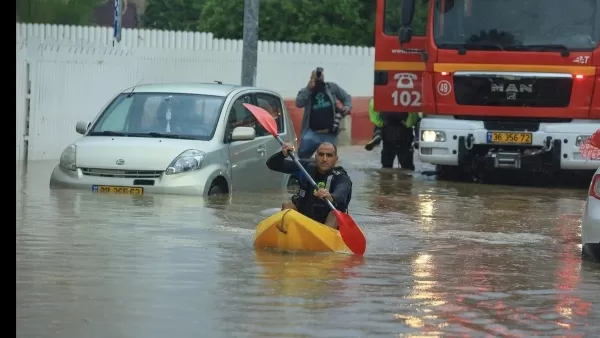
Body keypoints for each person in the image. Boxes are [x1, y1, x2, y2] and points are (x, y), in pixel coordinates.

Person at [266, 142, 352, 229]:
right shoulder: (305, 167)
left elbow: (342, 190)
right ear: (316, 156)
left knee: (335, 214)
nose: (324, 159)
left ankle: (323, 238)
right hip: (304, 222)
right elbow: (272, 165)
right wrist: (282, 154)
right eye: (321, 154)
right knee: (288, 206)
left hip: (327, 226)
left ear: (336, 159)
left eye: (329, 155)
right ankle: (288, 235)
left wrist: (331, 197)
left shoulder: (341, 177)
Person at [295, 69, 352, 159]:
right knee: (302, 158)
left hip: (330, 134)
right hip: (312, 133)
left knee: (329, 160)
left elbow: (346, 97)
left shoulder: (331, 87)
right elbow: (298, 103)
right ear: (310, 78)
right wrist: (308, 89)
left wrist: (347, 107)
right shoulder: (307, 91)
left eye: (320, 76)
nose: (318, 79)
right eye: (315, 77)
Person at [364, 98, 419, 170]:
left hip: (387, 132)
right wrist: (408, 123)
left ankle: (378, 135)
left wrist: (380, 123)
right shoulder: (409, 97)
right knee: (407, 169)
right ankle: (417, 138)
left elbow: (374, 115)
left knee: (386, 167)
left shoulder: (379, 98)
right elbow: (413, 118)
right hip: (404, 132)